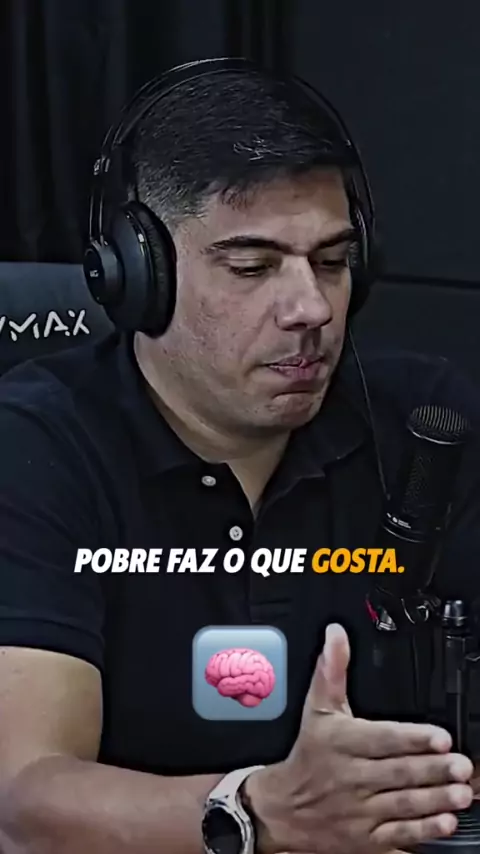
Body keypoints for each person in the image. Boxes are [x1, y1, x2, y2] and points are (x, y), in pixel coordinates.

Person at [0, 60, 479, 854]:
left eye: (333, 261)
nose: (312, 308)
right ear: (137, 275)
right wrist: (257, 811)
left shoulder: (424, 424)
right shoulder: (37, 447)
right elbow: (23, 801)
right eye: (253, 267)